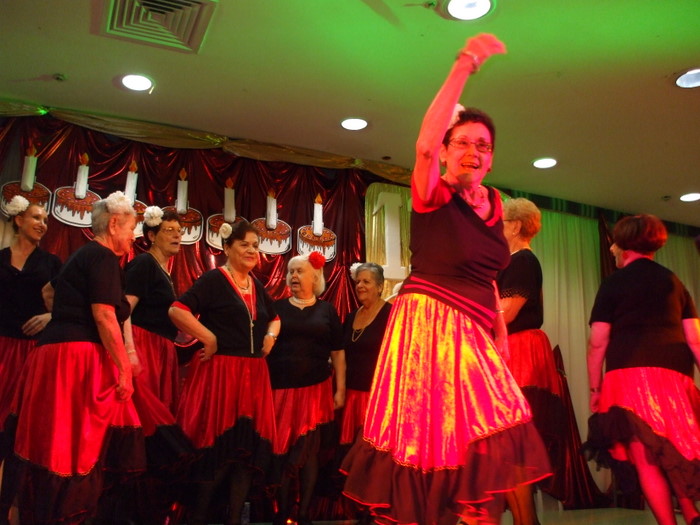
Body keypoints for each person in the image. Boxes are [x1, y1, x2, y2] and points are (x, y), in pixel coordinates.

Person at [341, 33, 551, 525]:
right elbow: (422, 145)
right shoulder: (433, 192)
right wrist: (465, 64)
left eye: (483, 145)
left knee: (490, 434)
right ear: (445, 150)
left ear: (492, 157)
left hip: (474, 329)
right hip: (429, 322)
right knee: (437, 441)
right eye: (462, 143)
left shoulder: (496, 203)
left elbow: (490, 277)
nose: (472, 152)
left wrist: (499, 332)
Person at [7, 191, 144, 524]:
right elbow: (104, 315)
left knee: (47, 439)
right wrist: (124, 369)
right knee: (73, 445)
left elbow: (48, 291)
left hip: (51, 353)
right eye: (131, 229)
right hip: (76, 356)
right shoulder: (103, 257)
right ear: (114, 224)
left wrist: (64, 316)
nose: (133, 236)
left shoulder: (81, 255)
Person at [585, 214, 700, 525]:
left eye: (614, 243)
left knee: (646, 459)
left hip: (628, 376)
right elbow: (694, 339)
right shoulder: (674, 281)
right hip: (675, 375)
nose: (611, 248)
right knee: (674, 447)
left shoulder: (613, 284)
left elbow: (598, 342)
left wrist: (595, 388)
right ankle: (691, 512)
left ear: (624, 244)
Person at [169, 220, 280, 525]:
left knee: (244, 457)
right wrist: (209, 338)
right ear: (227, 248)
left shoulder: (255, 285)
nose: (251, 250)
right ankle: (199, 518)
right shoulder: (214, 280)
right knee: (218, 453)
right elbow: (177, 310)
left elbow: (275, 318)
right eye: (244, 244)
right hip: (223, 375)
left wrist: (270, 337)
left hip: (253, 375)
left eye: (255, 245)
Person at [266, 252, 345, 525]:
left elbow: (338, 352)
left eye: (299, 271)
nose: (294, 276)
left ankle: (304, 513)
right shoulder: (277, 307)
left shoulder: (327, 311)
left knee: (310, 452)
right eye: (291, 272)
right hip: (281, 390)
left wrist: (340, 390)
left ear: (315, 276)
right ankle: (282, 512)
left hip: (316, 389)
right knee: (283, 449)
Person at [498, 197, 563, 525]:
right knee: (507, 446)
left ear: (515, 226)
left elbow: (507, 313)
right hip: (513, 350)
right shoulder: (511, 261)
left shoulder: (522, 260)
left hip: (521, 352)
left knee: (513, 443)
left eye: (500, 222)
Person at [0, 196, 61, 524]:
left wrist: (51, 317)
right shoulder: (0, 259)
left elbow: (72, 302)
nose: (42, 224)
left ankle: (10, 507)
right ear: (18, 220)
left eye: (45, 220)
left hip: (33, 356)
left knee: (18, 433)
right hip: (1, 351)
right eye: (36, 217)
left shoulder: (51, 263)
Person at [125, 206, 182, 414]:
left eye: (179, 231)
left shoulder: (163, 270)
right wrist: (130, 351)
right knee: (146, 409)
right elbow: (124, 309)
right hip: (144, 345)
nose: (177, 235)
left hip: (160, 347)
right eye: (169, 230)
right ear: (151, 236)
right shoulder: (145, 263)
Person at [340, 262, 391, 447]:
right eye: (358, 281)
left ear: (380, 287)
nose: (360, 286)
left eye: (366, 282)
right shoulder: (351, 317)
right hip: (351, 395)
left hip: (377, 397)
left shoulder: (391, 315)